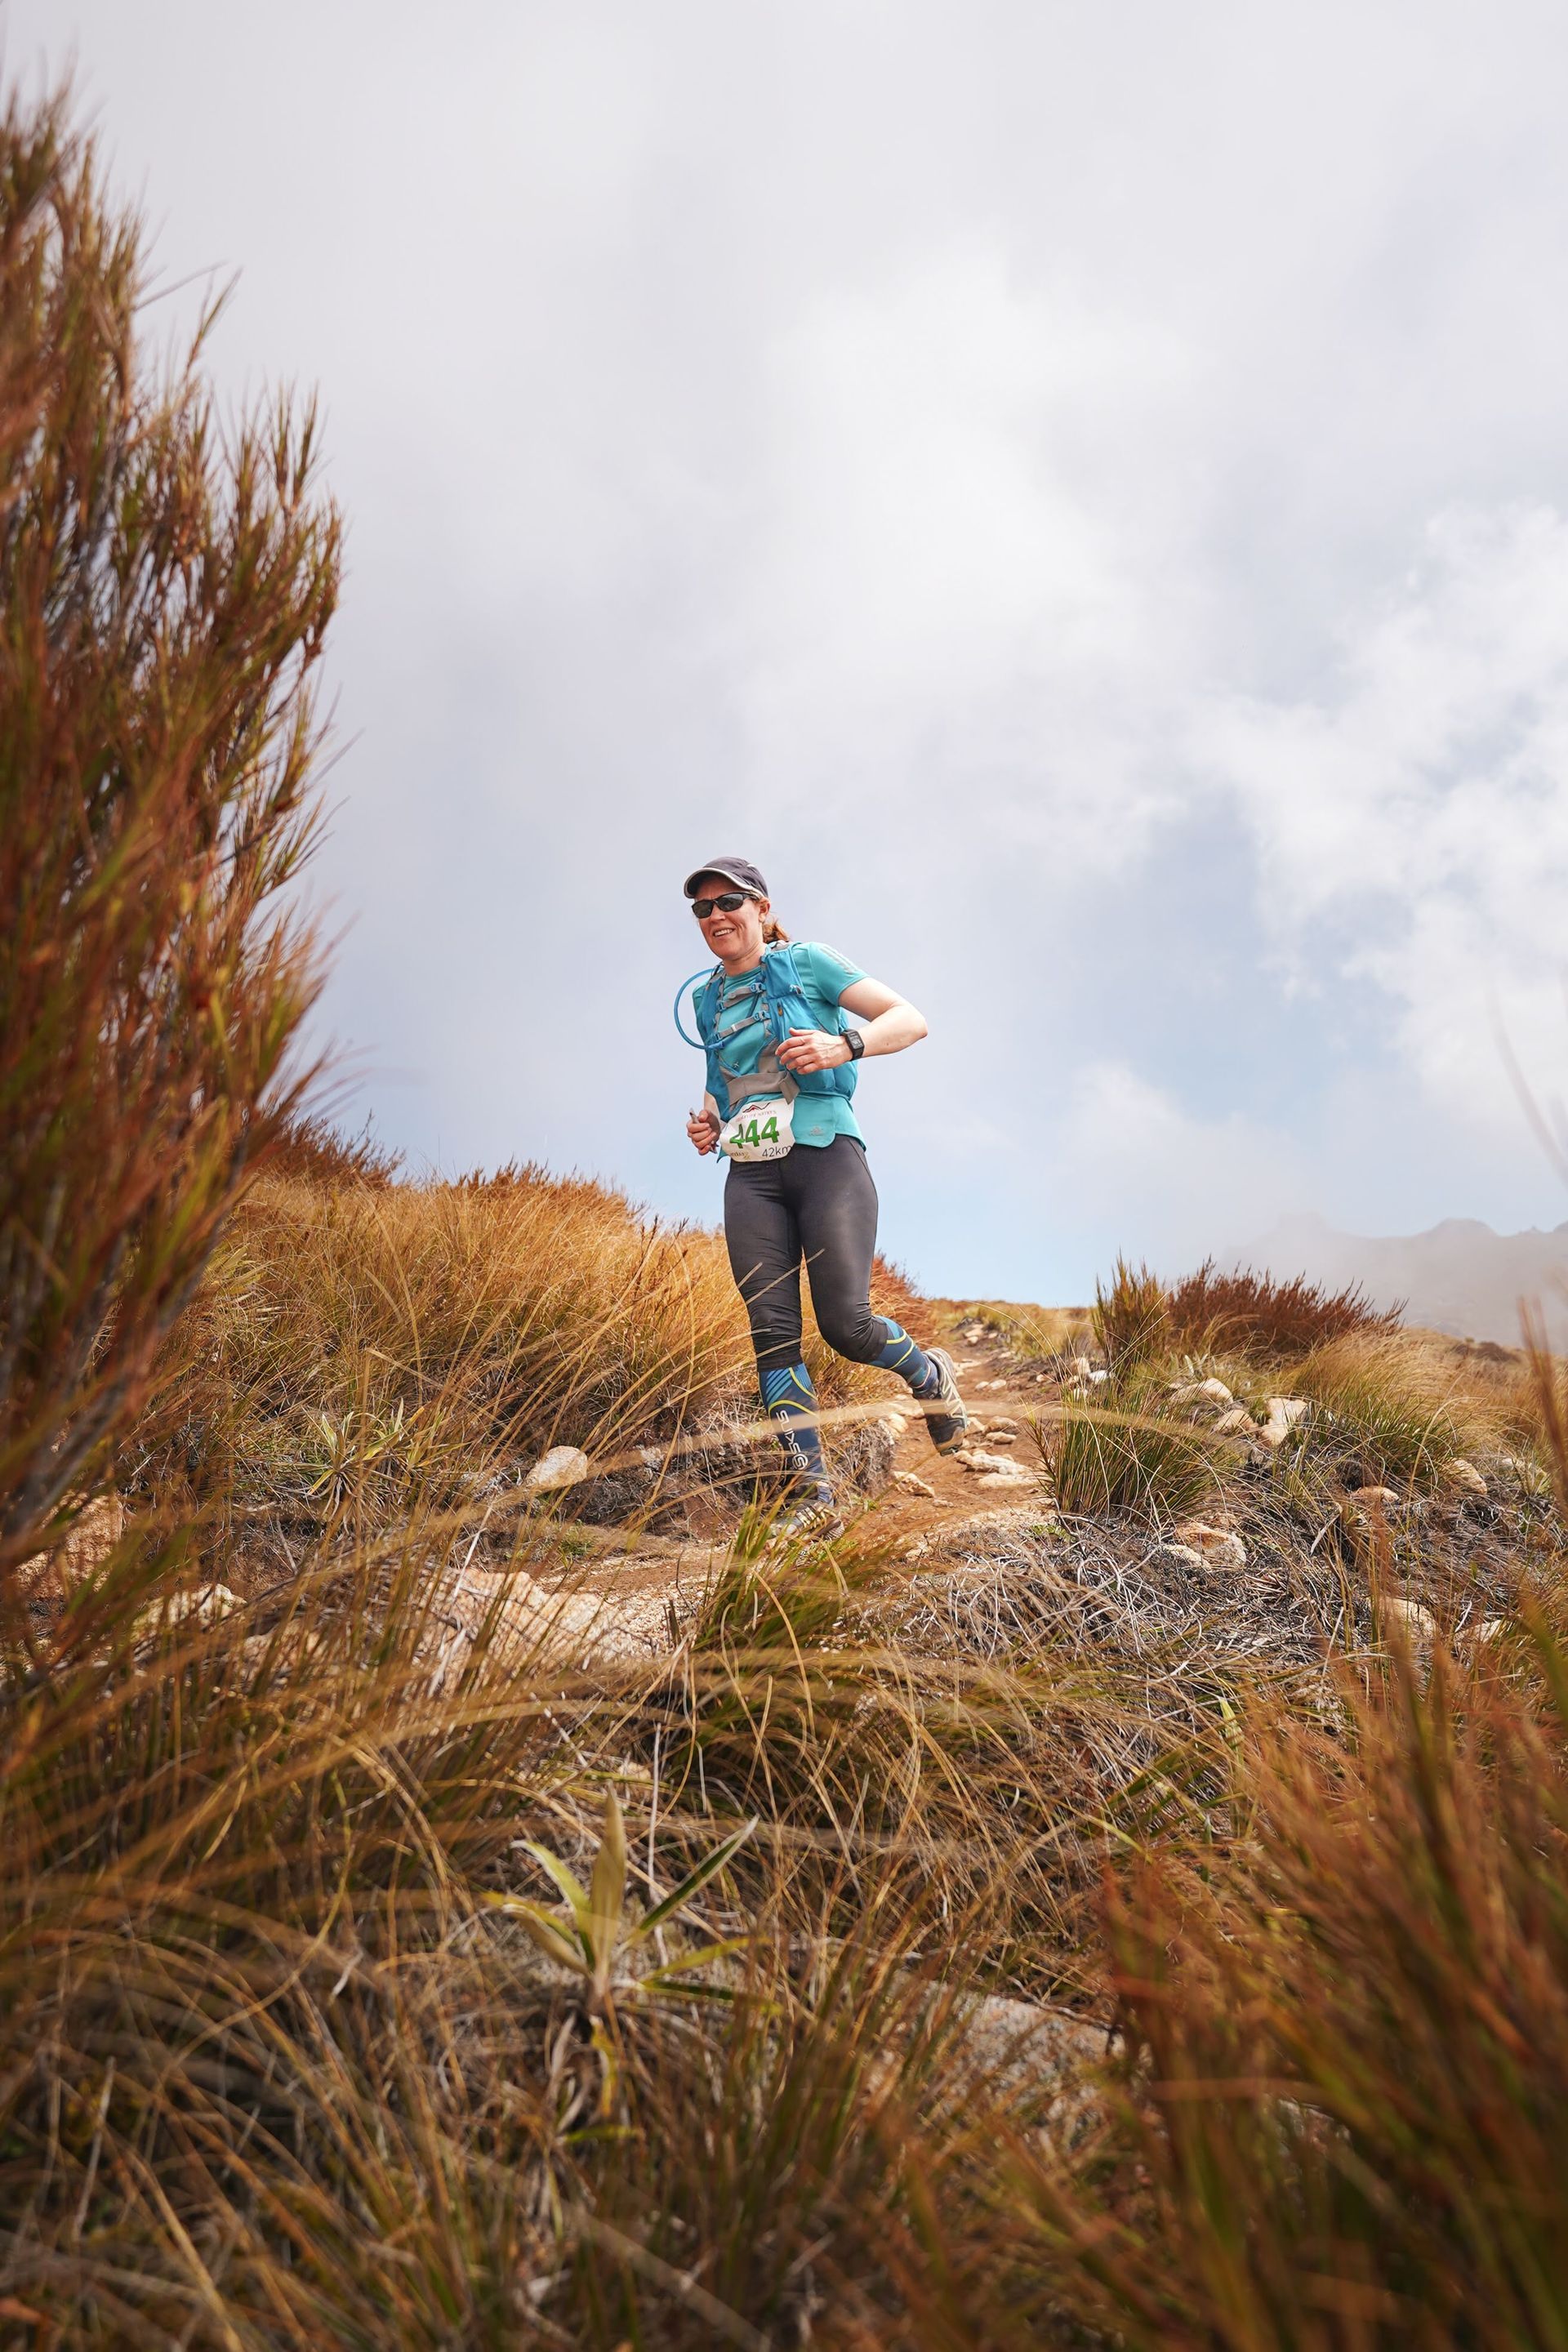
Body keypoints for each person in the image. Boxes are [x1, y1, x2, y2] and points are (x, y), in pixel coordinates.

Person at [678, 854, 968, 1532]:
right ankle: (814, 1498)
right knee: (772, 1336)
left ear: (763, 910)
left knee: (845, 1325)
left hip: (828, 1158)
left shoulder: (810, 962)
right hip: (749, 1175)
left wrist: (846, 1045)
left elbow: (911, 1018)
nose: (717, 916)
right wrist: (707, 1122)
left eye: (731, 902)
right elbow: (722, 1084)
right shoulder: (705, 997)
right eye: (703, 909)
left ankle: (929, 1376)